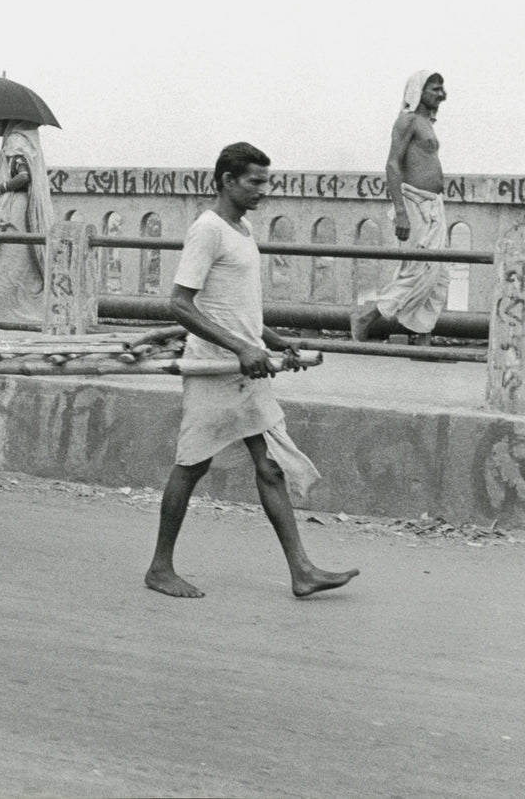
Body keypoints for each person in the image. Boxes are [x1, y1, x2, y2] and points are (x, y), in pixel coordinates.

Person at [144, 142, 360, 599]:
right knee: (192, 465)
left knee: (270, 467)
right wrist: (242, 347)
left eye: (267, 181)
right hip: (214, 366)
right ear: (227, 180)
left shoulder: (242, 228)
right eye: (254, 181)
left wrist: (272, 340)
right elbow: (180, 305)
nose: (265, 190)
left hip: (245, 367)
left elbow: (236, 304)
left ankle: (302, 570)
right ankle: (160, 568)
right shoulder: (208, 230)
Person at [349, 71, 450, 349]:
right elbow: (392, 164)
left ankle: (423, 339)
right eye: (436, 89)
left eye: (442, 89)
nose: (442, 95)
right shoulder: (407, 121)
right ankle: (366, 317)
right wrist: (401, 211)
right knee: (418, 270)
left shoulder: (426, 123)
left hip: (432, 205)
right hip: (414, 204)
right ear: (418, 91)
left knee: (439, 275)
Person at [0, 119, 56, 324]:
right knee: (8, 267)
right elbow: (16, 170)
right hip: (18, 211)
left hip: (15, 213)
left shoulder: (15, 141)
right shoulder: (16, 142)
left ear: (3, 121)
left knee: (3, 267)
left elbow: (24, 177)